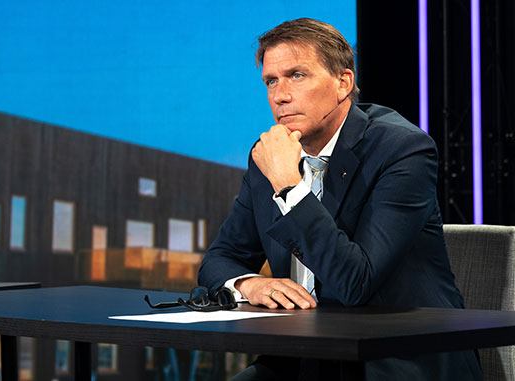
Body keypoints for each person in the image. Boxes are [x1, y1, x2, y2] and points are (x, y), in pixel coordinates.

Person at [197, 18, 482, 380]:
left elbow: (354, 283)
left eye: (297, 75)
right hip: (302, 355)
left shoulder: (401, 149)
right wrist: (250, 283)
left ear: (343, 83)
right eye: (271, 81)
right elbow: (219, 260)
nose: (280, 95)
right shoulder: (268, 156)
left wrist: (289, 186)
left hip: (397, 357)